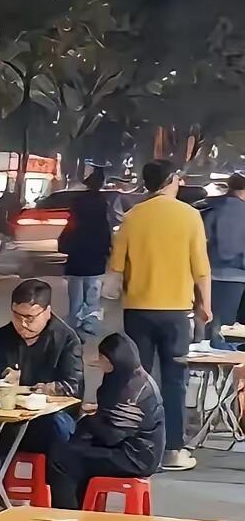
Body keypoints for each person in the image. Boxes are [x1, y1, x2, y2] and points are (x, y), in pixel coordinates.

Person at [106, 159, 210, 472]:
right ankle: (174, 449)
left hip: (138, 310)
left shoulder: (133, 217)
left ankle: (137, 444)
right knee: (175, 380)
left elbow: (116, 268)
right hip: (176, 312)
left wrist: (109, 300)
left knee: (136, 378)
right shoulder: (189, 216)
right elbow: (201, 268)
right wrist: (205, 305)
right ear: (170, 180)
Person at [0, 279, 84, 459]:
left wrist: (36, 388)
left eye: (30, 318)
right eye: (17, 316)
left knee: (58, 425)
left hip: (46, 418)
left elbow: (73, 388)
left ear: (47, 312)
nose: (23, 324)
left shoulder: (67, 340)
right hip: (5, 418)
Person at [46, 333, 165, 510]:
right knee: (75, 447)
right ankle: (83, 508)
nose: (99, 362)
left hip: (135, 456)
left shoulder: (132, 390)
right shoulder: (129, 376)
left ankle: (67, 514)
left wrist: (88, 419)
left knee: (62, 458)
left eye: (102, 358)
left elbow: (112, 435)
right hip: (132, 448)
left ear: (113, 360)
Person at [57, 169, 114, 343]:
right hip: (95, 258)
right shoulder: (103, 204)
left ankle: (74, 323)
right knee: (92, 295)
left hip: (77, 257)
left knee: (75, 294)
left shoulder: (78, 203)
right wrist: (108, 251)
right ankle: (89, 323)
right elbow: (107, 232)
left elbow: (69, 228)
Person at [202, 173, 245, 344]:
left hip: (212, 276)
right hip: (234, 277)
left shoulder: (210, 208)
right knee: (231, 335)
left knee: (215, 330)